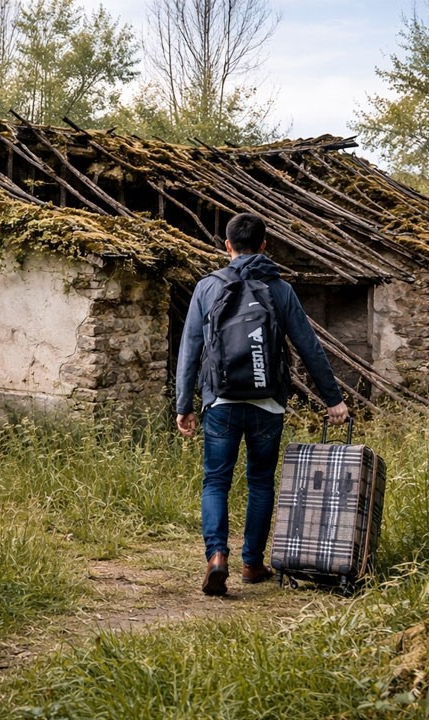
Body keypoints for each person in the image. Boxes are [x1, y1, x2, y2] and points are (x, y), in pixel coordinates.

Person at [175, 212, 350, 596]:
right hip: (267, 403)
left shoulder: (208, 287)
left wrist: (183, 404)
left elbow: (190, 348)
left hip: (219, 400)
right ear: (265, 245)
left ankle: (216, 555)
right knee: (259, 482)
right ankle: (252, 563)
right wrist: (333, 399)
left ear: (227, 246)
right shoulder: (280, 289)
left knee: (216, 481)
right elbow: (309, 347)